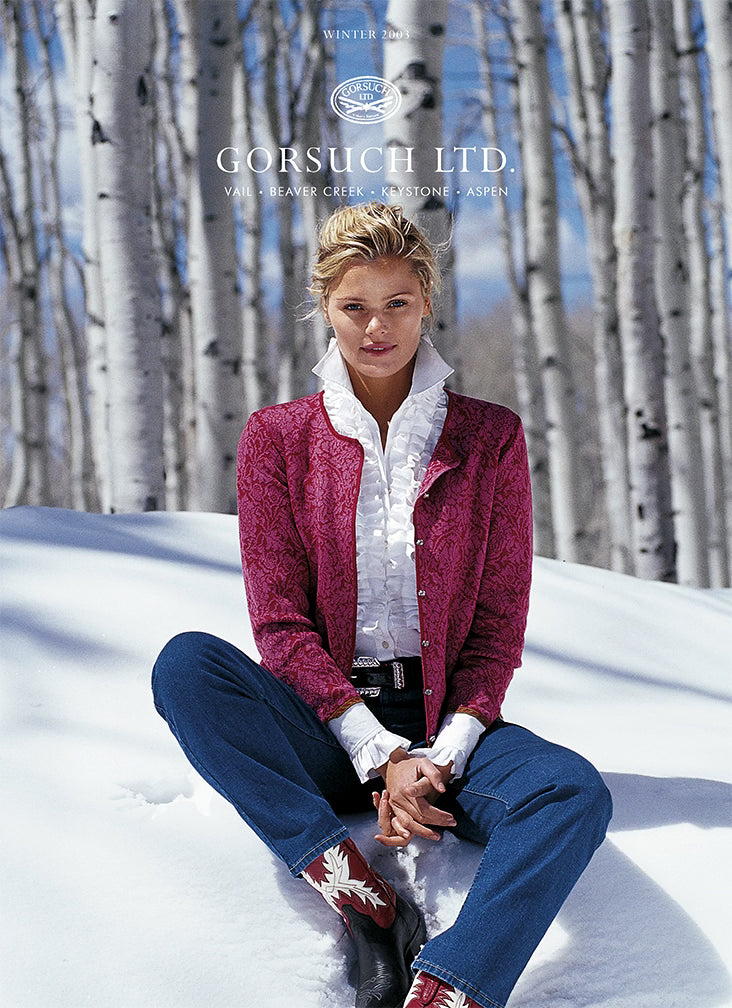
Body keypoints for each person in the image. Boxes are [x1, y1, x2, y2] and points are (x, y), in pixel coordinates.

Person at [152, 202, 612, 1008]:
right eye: (354, 305)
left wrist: (440, 752)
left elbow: (499, 626)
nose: (376, 326)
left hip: (449, 727)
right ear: (324, 307)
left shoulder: (489, 437)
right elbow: (280, 626)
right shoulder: (277, 438)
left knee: (570, 791)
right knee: (187, 666)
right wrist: (381, 756)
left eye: (397, 302)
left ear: (427, 301)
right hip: (325, 725)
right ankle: (364, 900)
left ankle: (453, 987)